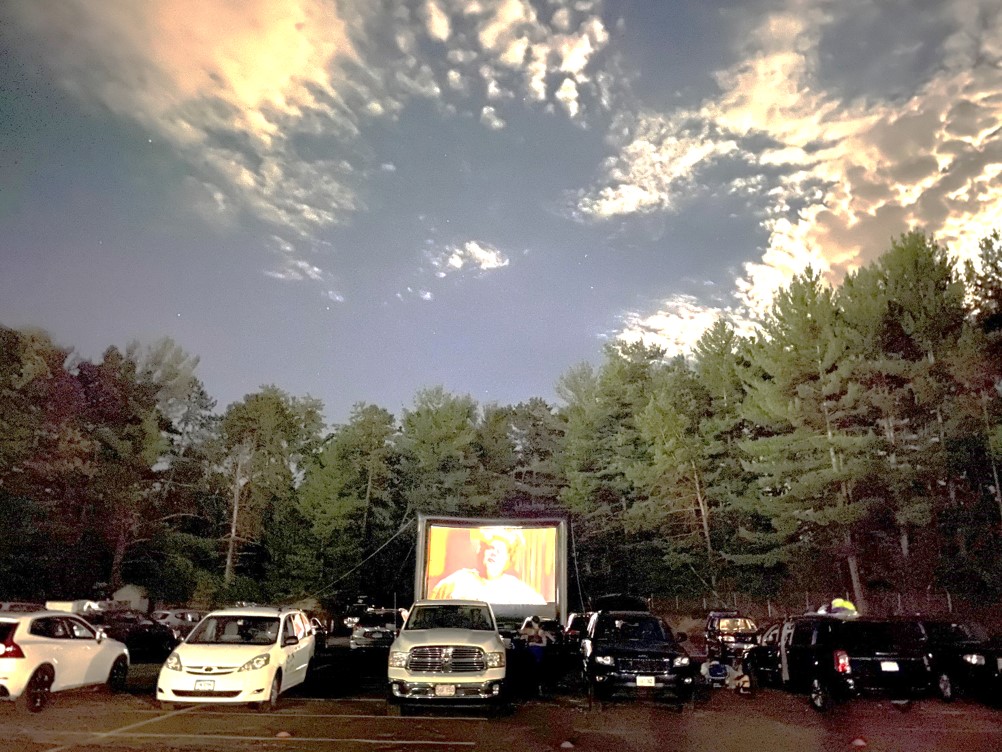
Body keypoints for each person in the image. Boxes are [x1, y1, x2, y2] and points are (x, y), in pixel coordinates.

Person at [428, 527, 547, 605]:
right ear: (481, 551)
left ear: (508, 559)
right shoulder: (455, 582)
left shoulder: (520, 591)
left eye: (500, 551)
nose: (494, 553)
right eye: (491, 548)